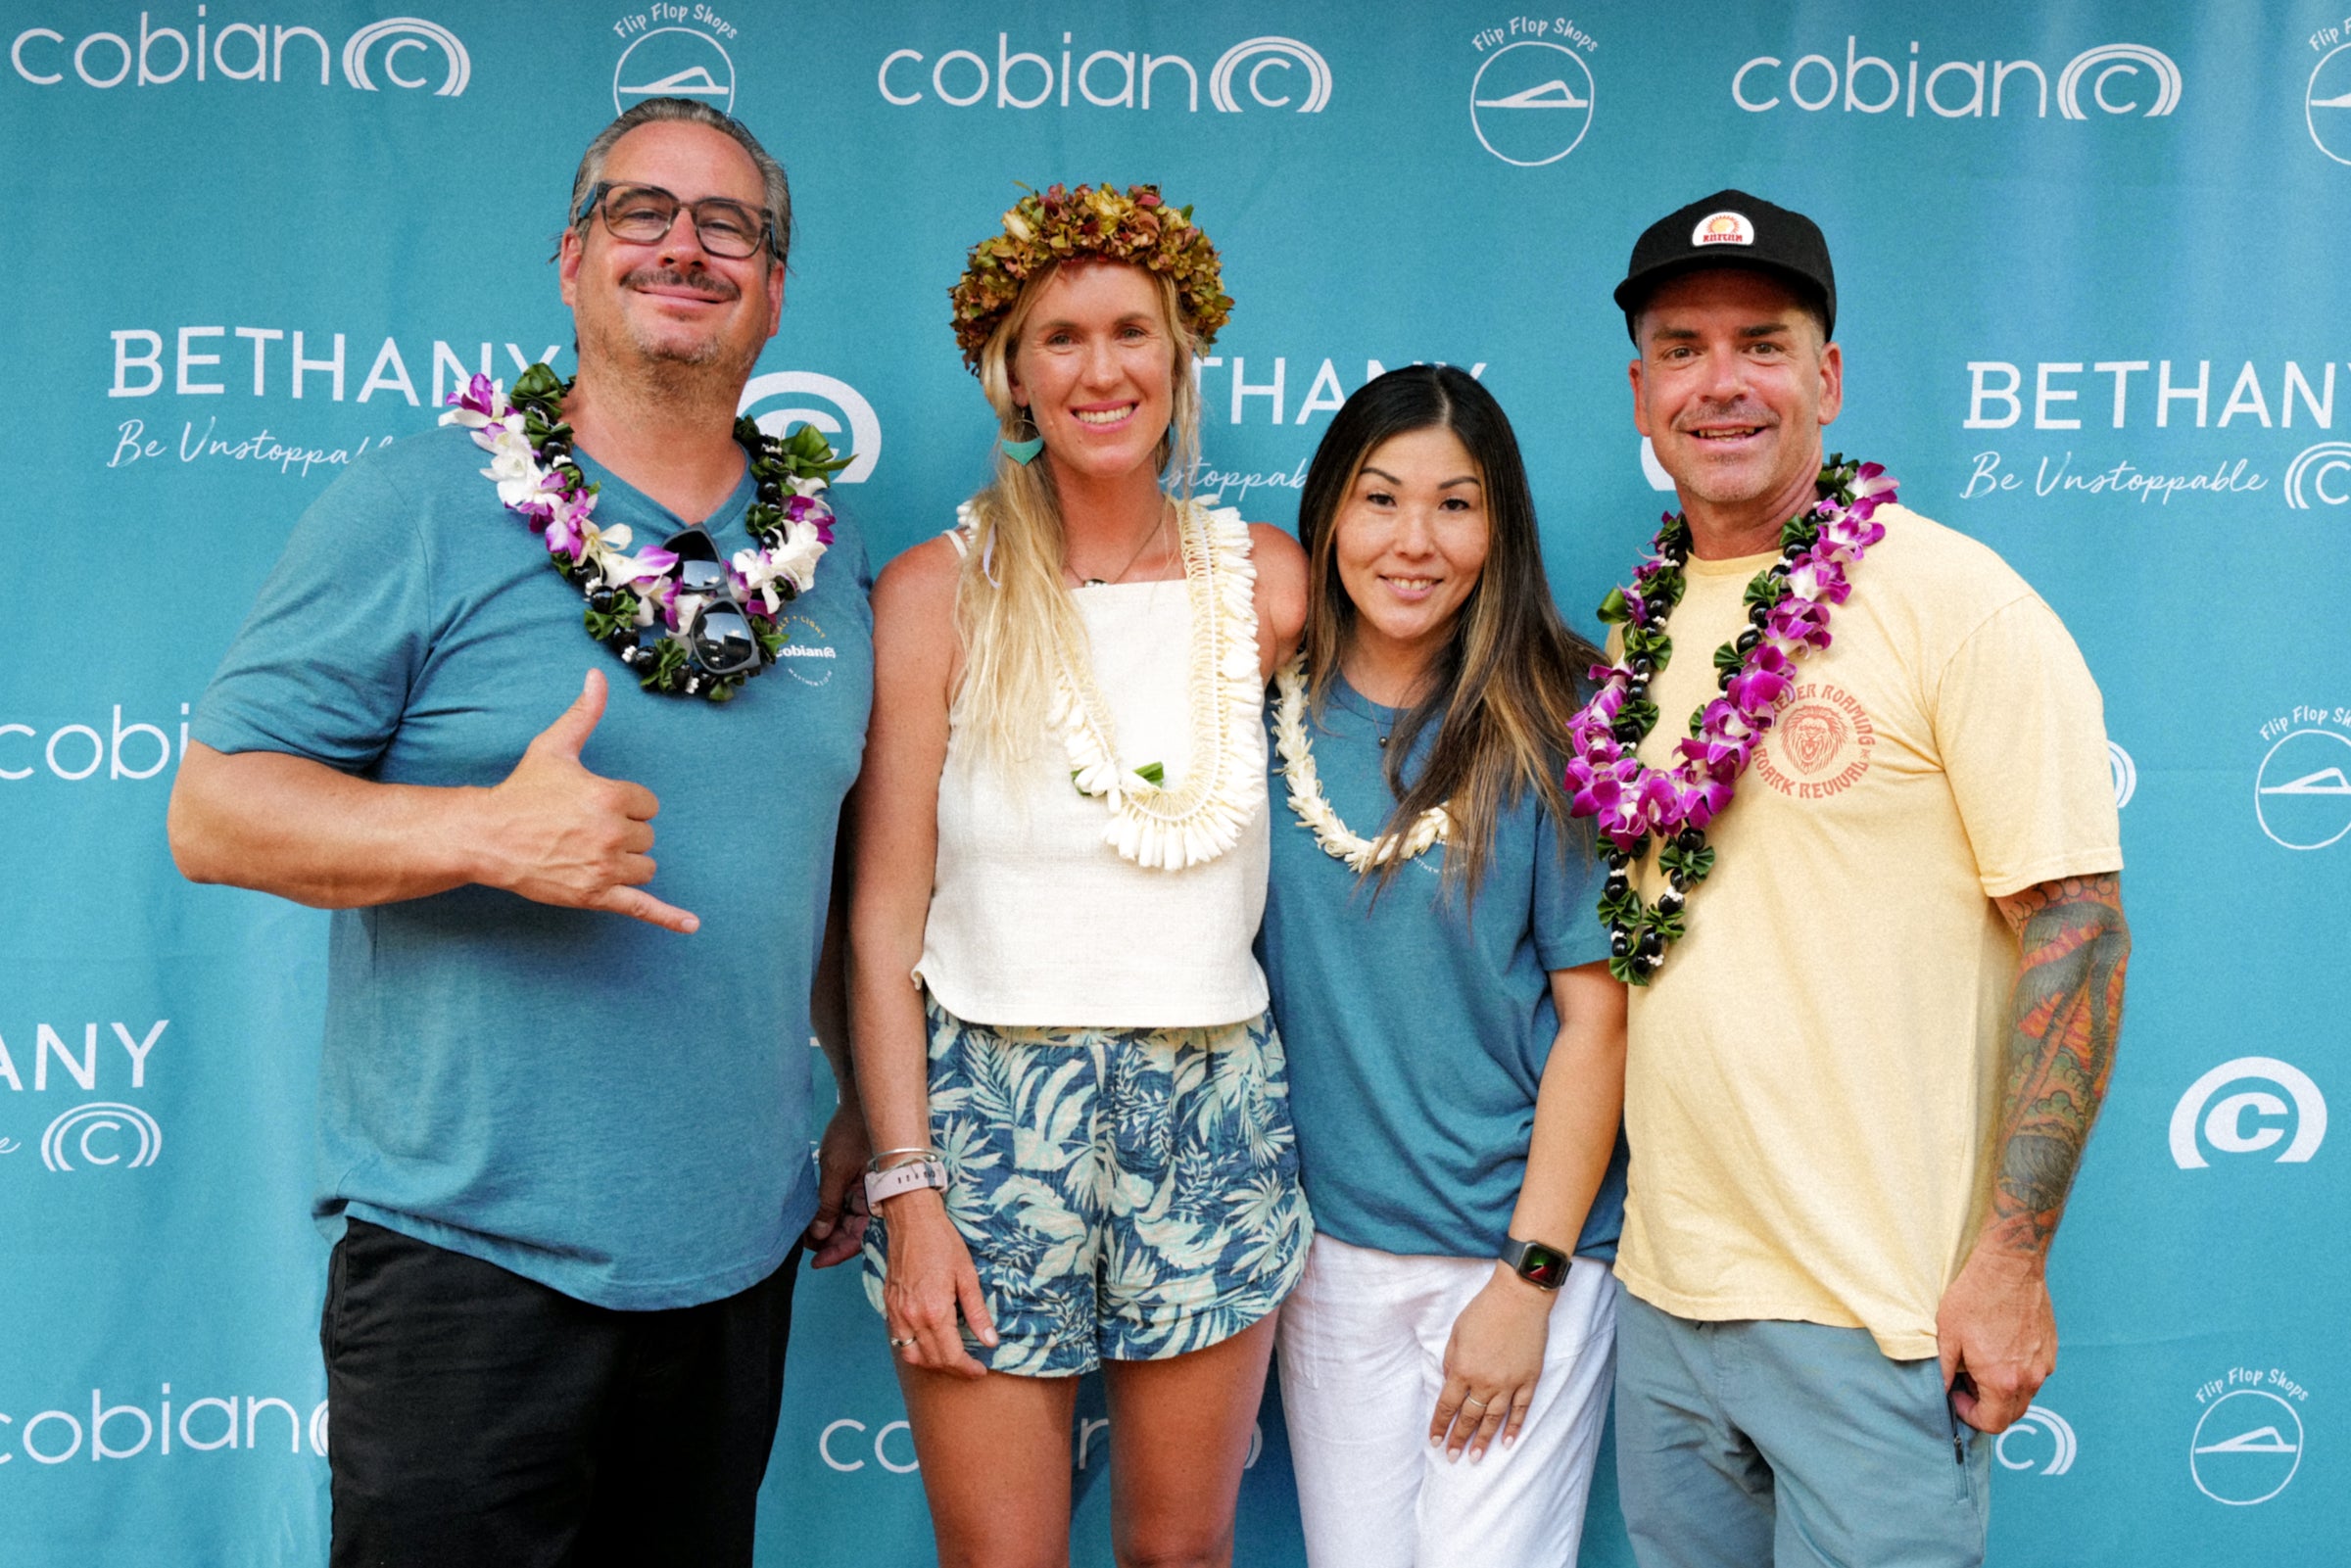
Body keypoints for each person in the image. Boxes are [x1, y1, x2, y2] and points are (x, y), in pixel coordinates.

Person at [165, 98, 871, 1566]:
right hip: (468, 1277)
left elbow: (818, 858)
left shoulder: (826, 550)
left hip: (733, 1265)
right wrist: (486, 834)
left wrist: (864, 1090)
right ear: (571, 258)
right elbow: (215, 810)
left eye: (727, 224)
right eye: (641, 211)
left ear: (775, 288)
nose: (685, 245)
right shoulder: (418, 506)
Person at [1585, 190, 2131, 1567]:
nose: (1722, 382)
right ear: (1642, 392)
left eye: (1762, 342)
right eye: (1683, 346)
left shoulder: (1956, 600)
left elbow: (2076, 928)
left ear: (1826, 376)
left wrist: (2011, 1261)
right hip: (1663, 1301)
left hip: (1874, 1320)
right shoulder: (1635, 627)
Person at [848, 180, 1311, 1568]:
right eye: (1060, 338)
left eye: (1132, 333)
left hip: (1211, 1103)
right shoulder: (937, 591)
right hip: (987, 1111)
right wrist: (904, 1185)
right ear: (1010, 370)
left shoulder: (1268, 582)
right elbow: (881, 919)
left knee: (1181, 1551)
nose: (1100, 370)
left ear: (1181, 358)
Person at [1259, 365, 1629, 1567]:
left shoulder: (1558, 719)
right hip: (1332, 1258)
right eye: (1380, 499)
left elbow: (1598, 1023)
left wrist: (1528, 1283)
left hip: (1515, 1250)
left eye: (1456, 504)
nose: (1414, 541)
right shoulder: (1255, 713)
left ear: (1499, 527)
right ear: (1326, 517)